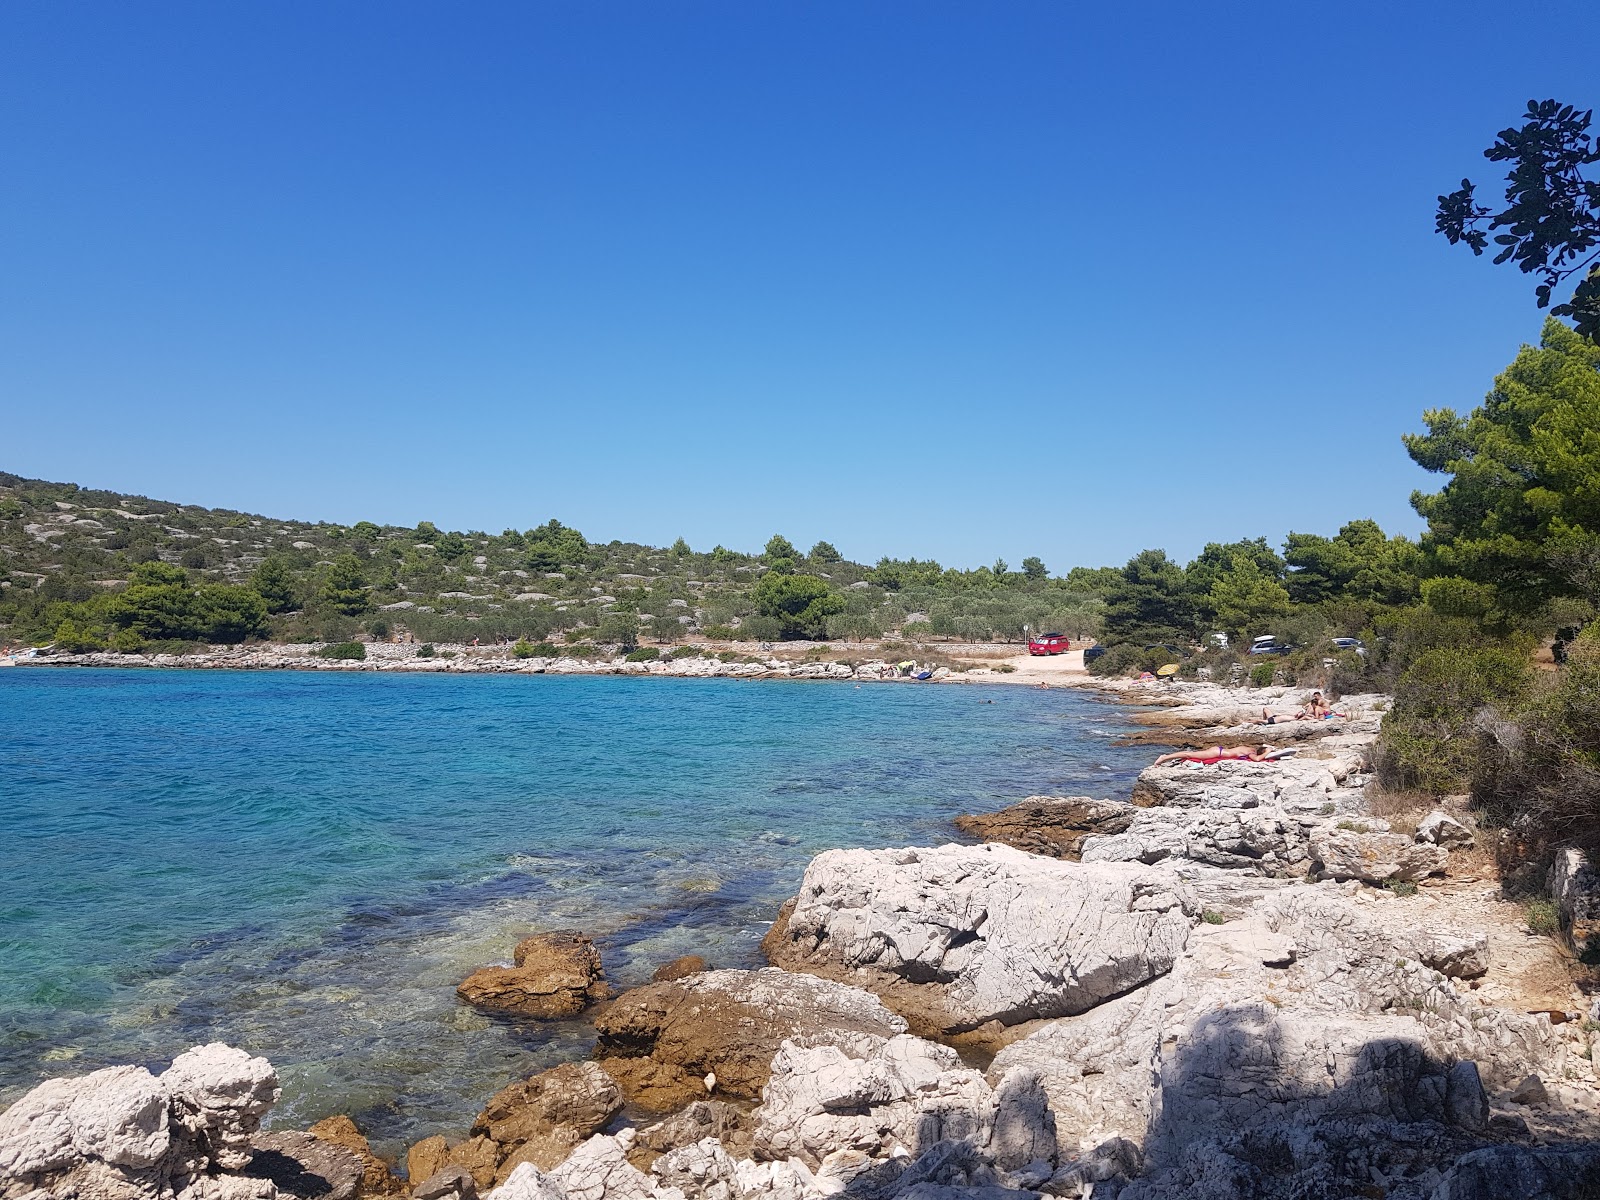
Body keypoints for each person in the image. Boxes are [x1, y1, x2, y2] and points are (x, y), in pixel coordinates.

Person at [1153, 743, 1275, 767]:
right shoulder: (1251, 752)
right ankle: (1164, 758)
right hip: (1218, 752)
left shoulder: (1249, 748)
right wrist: (1269, 751)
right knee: (1189, 754)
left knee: (1190, 755)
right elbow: (1258, 759)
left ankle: (1167, 758)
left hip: (1219, 750)